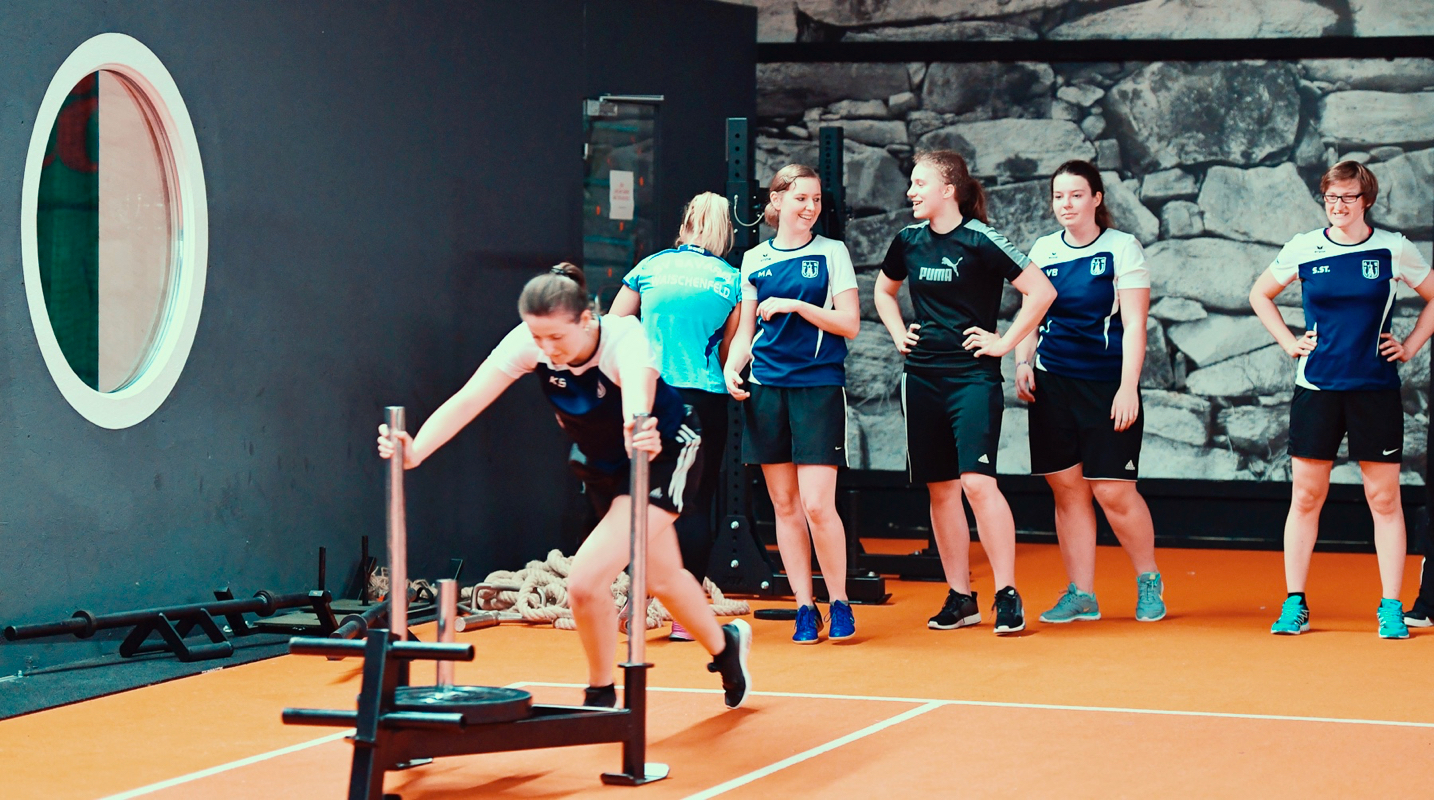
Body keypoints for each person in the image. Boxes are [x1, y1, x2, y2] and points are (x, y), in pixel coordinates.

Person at [377, 263, 752, 706]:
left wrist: (638, 426)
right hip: (604, 463)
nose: (547, 349)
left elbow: (637, 389)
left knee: (585, 582)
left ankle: (601, 694)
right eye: (538, 338)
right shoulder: (530, 342)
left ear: (586, 319)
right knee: (665, 577)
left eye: (557, 337)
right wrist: (416, 448)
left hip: (664, 450)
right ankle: (726, 647)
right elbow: (469, 398)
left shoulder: (622, 338)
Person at [872, 150, 1056, 636]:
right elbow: (882, 291)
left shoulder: (981, 240)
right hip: (922, 377)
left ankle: (1006, 593)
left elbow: (1041, 293)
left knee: (977, 483)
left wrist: (1004, 343)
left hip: (972, 377)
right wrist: (897, 334)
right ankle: (960, 597)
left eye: (919, 183)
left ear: (948, 190)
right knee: (941, 489)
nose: (910, 192)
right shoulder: (907, 240)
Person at [1249, 160, 1434, 639]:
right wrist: (1290, 342)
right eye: (1331, 198)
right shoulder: (1304, 247)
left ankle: (1390, 607)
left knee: (1384, 498)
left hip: (1374, 390)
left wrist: (1410, 345)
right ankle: (1295, 603)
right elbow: (1260, 294)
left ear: (1366, 199)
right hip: (1317, 390)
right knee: (1306, 497)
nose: (1338, 206)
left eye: (1348, 198)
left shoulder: (1393, 248)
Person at [1014, 159, 1165, 625]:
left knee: (1113, 491)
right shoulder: (1043, 249)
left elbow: (1136, 324)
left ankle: (1149, 581)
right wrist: (1022, 361)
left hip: (1106, 386)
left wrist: (1128, 388)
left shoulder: (1122, 247)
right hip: (1052, 384)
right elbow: (1029, 316)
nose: (1067, 204)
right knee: (1068, 491)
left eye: (1076, 195)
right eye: (1059, 196)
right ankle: (1081, 593)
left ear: (1097, 199)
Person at [723, 163, 860, 644]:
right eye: (802, 198)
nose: (811, 207)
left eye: (817, 200)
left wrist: (797, 306)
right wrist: (731, 366)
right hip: (767, 389)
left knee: (819, 505)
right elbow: (746, 333)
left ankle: (839, 601)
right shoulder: (755, 258)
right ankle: (805, 606)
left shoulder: (832, 253)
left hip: (818, 387)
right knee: (784, 505)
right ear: (777, 201)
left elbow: (850, 324)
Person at [610, 192, 742, 642]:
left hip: (649, 395)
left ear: (686, 223)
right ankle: (687, 617)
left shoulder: (650, 266)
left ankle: (637, 599)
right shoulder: (731, 280)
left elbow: (614, 326)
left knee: (642, 499)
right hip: (704, 399)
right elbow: (728, 354)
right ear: (725, 231)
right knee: (695, 503)